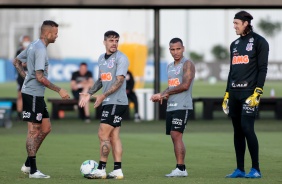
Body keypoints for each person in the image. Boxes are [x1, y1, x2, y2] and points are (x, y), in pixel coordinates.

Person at [13, 20, 70, 179]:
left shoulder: (33, 45)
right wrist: (59, 90)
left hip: (35, 94)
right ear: (48, 33)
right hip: (32, 94)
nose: (57, 36)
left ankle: (27, 164)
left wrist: (25, 78)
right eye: (56, 33)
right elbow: (39, 77)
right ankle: (33, 171)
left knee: (46, 128)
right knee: (33, 131)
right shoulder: (39, 49)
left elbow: (16, 61)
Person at [222, 11, 269, 179]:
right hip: (234, 93)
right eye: (233, 23)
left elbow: (263, 68)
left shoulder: (260, 42)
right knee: (237, 131)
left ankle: (256, 169)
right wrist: (227, 94)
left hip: (249, 94)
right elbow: (232, 70)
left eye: (236, 23)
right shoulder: (234, 44)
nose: (234, 26)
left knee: (248, 128)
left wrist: (258, 91)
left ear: (246, 23)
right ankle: (240, 169)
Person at [79, 30, 129, 179]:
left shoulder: (121, 58)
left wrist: (103, 95)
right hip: (109, 101)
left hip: (116, 101)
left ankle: (101, 169)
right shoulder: (101, 58)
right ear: (104, 42)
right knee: (114, 137)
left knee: (102, 134)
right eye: (111, 40)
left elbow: (119, 81)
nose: (114, 43)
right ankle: (117, 170)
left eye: (116, 41)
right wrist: (90, 92)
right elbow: (101, 80)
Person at [150, 37, 195, 177]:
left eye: (178, 49)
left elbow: (185, 85)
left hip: (183, 105)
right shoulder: (169, 66)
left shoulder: (187, 64)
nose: (175, 52)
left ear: (183, 48)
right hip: (171, 106)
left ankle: (181, 169)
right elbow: (172, 86)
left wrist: (165, 93)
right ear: (169, 50)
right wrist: (162, 95)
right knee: (173, 136)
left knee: (176, 134)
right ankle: (179, 168)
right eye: (173, 49)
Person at [15, 35, 31, 120]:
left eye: (28, 40)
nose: (26, 42)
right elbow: (17, 62)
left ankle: (29, 113)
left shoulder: (32, 50)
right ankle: (19, 113)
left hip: (31, 75)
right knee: (20, 95)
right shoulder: (19, 51)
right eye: (25, 40)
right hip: (21, 76)